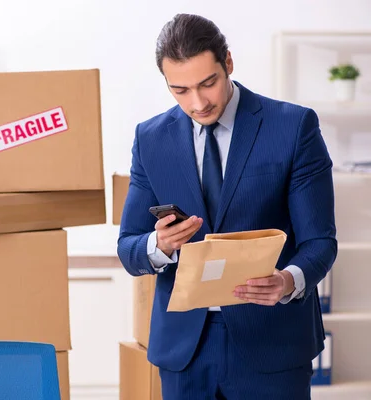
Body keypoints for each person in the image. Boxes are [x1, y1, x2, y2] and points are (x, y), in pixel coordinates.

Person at [117, 13, 337, 400]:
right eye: (180, 90)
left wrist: (288, 281)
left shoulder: (293, 126)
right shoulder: (150, 138)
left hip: (273, 340)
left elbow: (320, 241)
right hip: (185, 349)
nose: (198, 102)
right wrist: (160, 245)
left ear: (228, 64)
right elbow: (128, 247)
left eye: (208, 83)